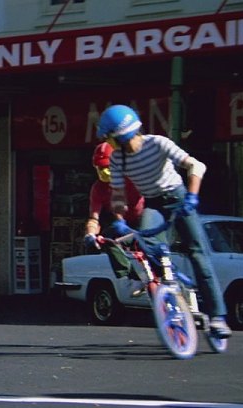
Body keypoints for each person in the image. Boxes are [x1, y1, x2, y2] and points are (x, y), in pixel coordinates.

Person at [97, 104, 232, 338]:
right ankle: (173, 289)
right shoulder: (118, 158)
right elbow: (118, 193)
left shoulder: (158, 143)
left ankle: (217, 317)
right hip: (153, 203)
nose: (110, 143)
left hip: (178, 197)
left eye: (111, 137)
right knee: (149, 246)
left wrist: (191, 196)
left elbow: (195, 165)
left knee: (197, 254)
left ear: (122, 133)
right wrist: (118, 217)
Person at [83, 142, 145, 283]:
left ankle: (159, 273)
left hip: (143, 220)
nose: (104, 172)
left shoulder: (133, 178)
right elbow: (94, 218)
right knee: (107, 238)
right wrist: (90, 234)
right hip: (122, 225)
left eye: (107, 167)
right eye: (100, 168)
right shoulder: (98, 188)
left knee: (150, 239)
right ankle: (131, 277)